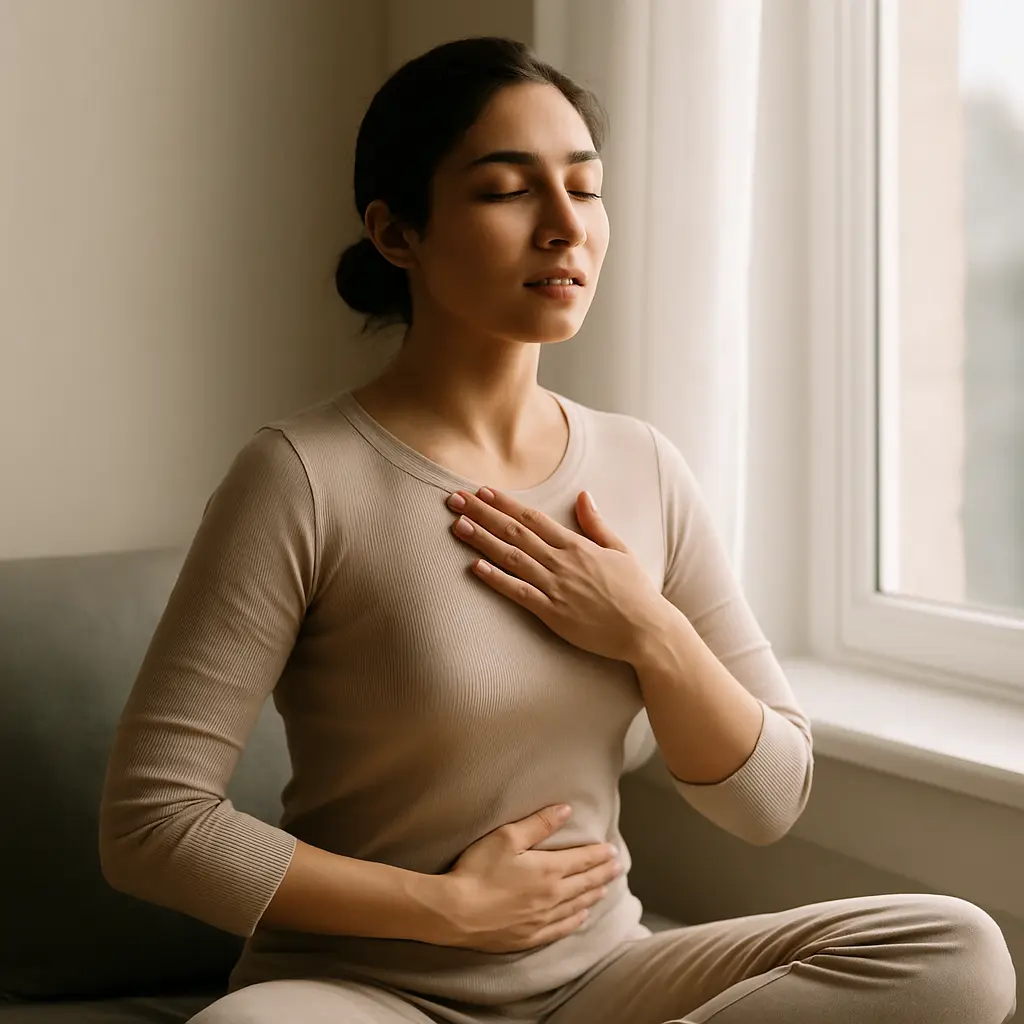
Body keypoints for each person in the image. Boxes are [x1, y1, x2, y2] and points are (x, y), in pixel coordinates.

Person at [98, 35, 1016, 1024]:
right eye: (506, 189)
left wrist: (644, 627)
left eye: (585, 187)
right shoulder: (304, 476)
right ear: (396, 232)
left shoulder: (641, 466)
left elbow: (768, 798)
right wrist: (447, 907)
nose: (562, 226)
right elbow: (152, 823)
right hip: (359, 991)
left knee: (954, 951)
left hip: (605, 982)